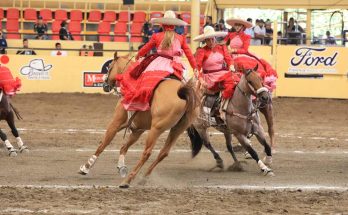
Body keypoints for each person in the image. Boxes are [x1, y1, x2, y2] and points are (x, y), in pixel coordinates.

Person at [115, 10, 197, 111]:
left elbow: (146, 48)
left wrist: (138, 55)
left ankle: (142, 103)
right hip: (176, 65)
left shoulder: (156, 36)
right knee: (188, 85)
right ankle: (191, 109)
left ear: (162, 24)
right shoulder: (181, 38)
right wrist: (195, 67)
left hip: (159, 63)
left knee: (143, 81)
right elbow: (189, 54)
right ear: (175, 25)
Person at [194, 26, 239, 115]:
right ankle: (215, 110)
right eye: (207, 40)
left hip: (223, 73)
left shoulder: (222, 48)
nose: (210, 42)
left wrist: (231, 66)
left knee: (237, 81)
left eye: (212, 39)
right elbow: (196, 68)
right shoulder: (201, 51)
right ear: (205, 41)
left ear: (215, 38)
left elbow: (229, 59)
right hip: (209, 76)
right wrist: (201, 80)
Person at [224, 18, 278, 92]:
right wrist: (226, 50)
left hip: (241, 54)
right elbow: (223, 44)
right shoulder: (230, 35)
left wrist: (233, 50)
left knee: (248, 64)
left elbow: (245, 50)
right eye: (236, 25)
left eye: (239, 25)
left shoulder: (246, 36)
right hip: (230, 55)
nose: (237, 27)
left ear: (243, 27)